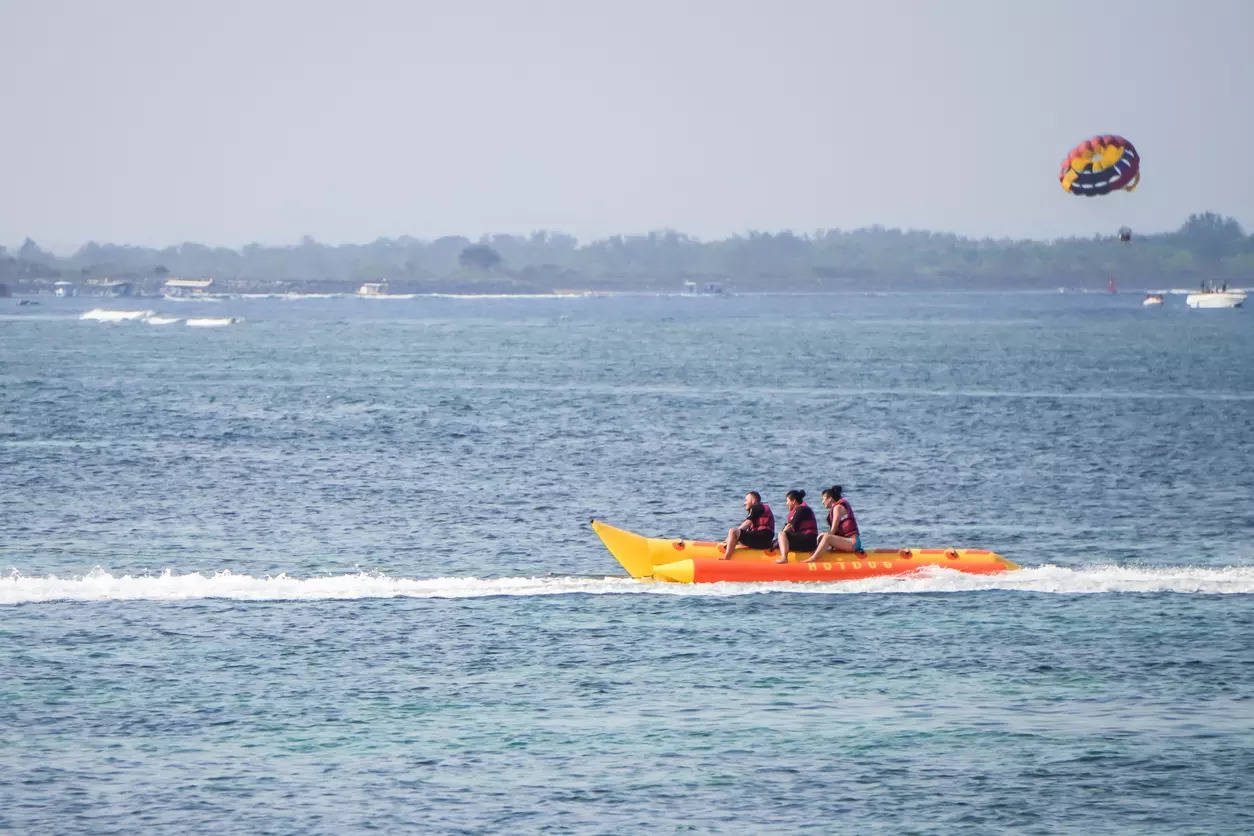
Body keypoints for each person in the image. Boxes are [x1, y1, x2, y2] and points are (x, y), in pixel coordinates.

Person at [804, 485, 863, 562]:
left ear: (830, 499)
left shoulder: (837, 508)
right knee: (824, 536)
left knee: (827, 537)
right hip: (847, 541)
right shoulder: (836, 507)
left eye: (823, 499)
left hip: (853, 542)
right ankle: (819, 553)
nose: (822, 502)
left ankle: (813, 559)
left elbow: (834, 528)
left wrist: (825, 536)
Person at [719, 491, 775, 559]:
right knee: (736, 536)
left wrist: (731, 536)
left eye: (746, 500)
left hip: (762, 538)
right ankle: (729, 546)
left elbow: (747, 523)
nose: (744, 503)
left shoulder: (757, 506)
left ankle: (726, 557)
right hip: (766, 541)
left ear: (753, 500)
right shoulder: (762, 508)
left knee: (733, 531)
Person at [774, 489, 819, 563]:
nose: (786, 503)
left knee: (781, 534)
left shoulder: (801, 509)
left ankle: (784, 558)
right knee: (782, 536)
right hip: (809, 541)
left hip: (808, 542)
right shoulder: (800, 509)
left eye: (787, 501)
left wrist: (779, 539)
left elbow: (789, 527)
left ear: (793, 501)